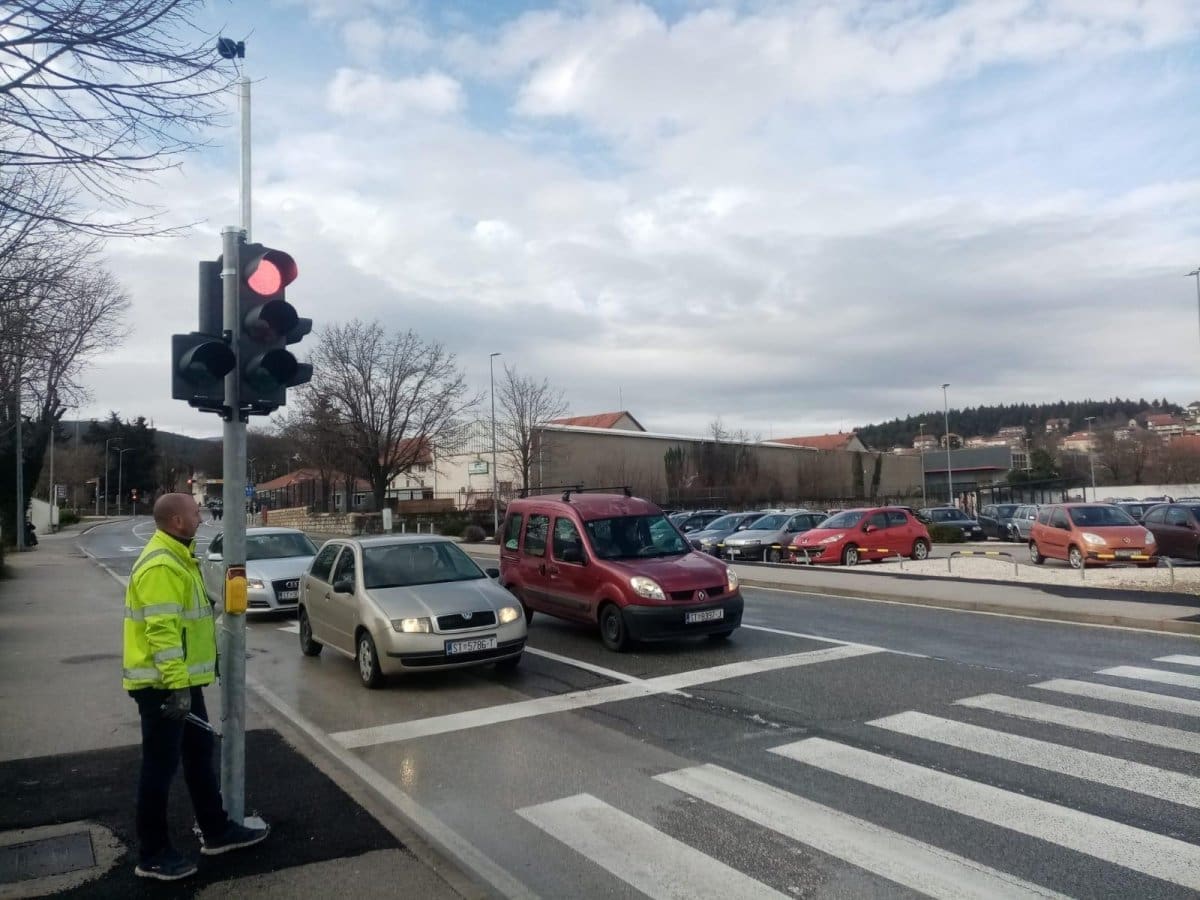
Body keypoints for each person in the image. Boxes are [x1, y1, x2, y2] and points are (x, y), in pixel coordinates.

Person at [123, 493, 269, 881]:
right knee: (160, 767)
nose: (201, 518)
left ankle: (216, 829)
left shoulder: (178, 558)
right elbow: (162, 632)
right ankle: (152, 854)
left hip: (182, 683)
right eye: (195, 513)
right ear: (176, 522)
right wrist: (176, 688)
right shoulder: (161, 566)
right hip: (164, 688)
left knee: (198, 752)